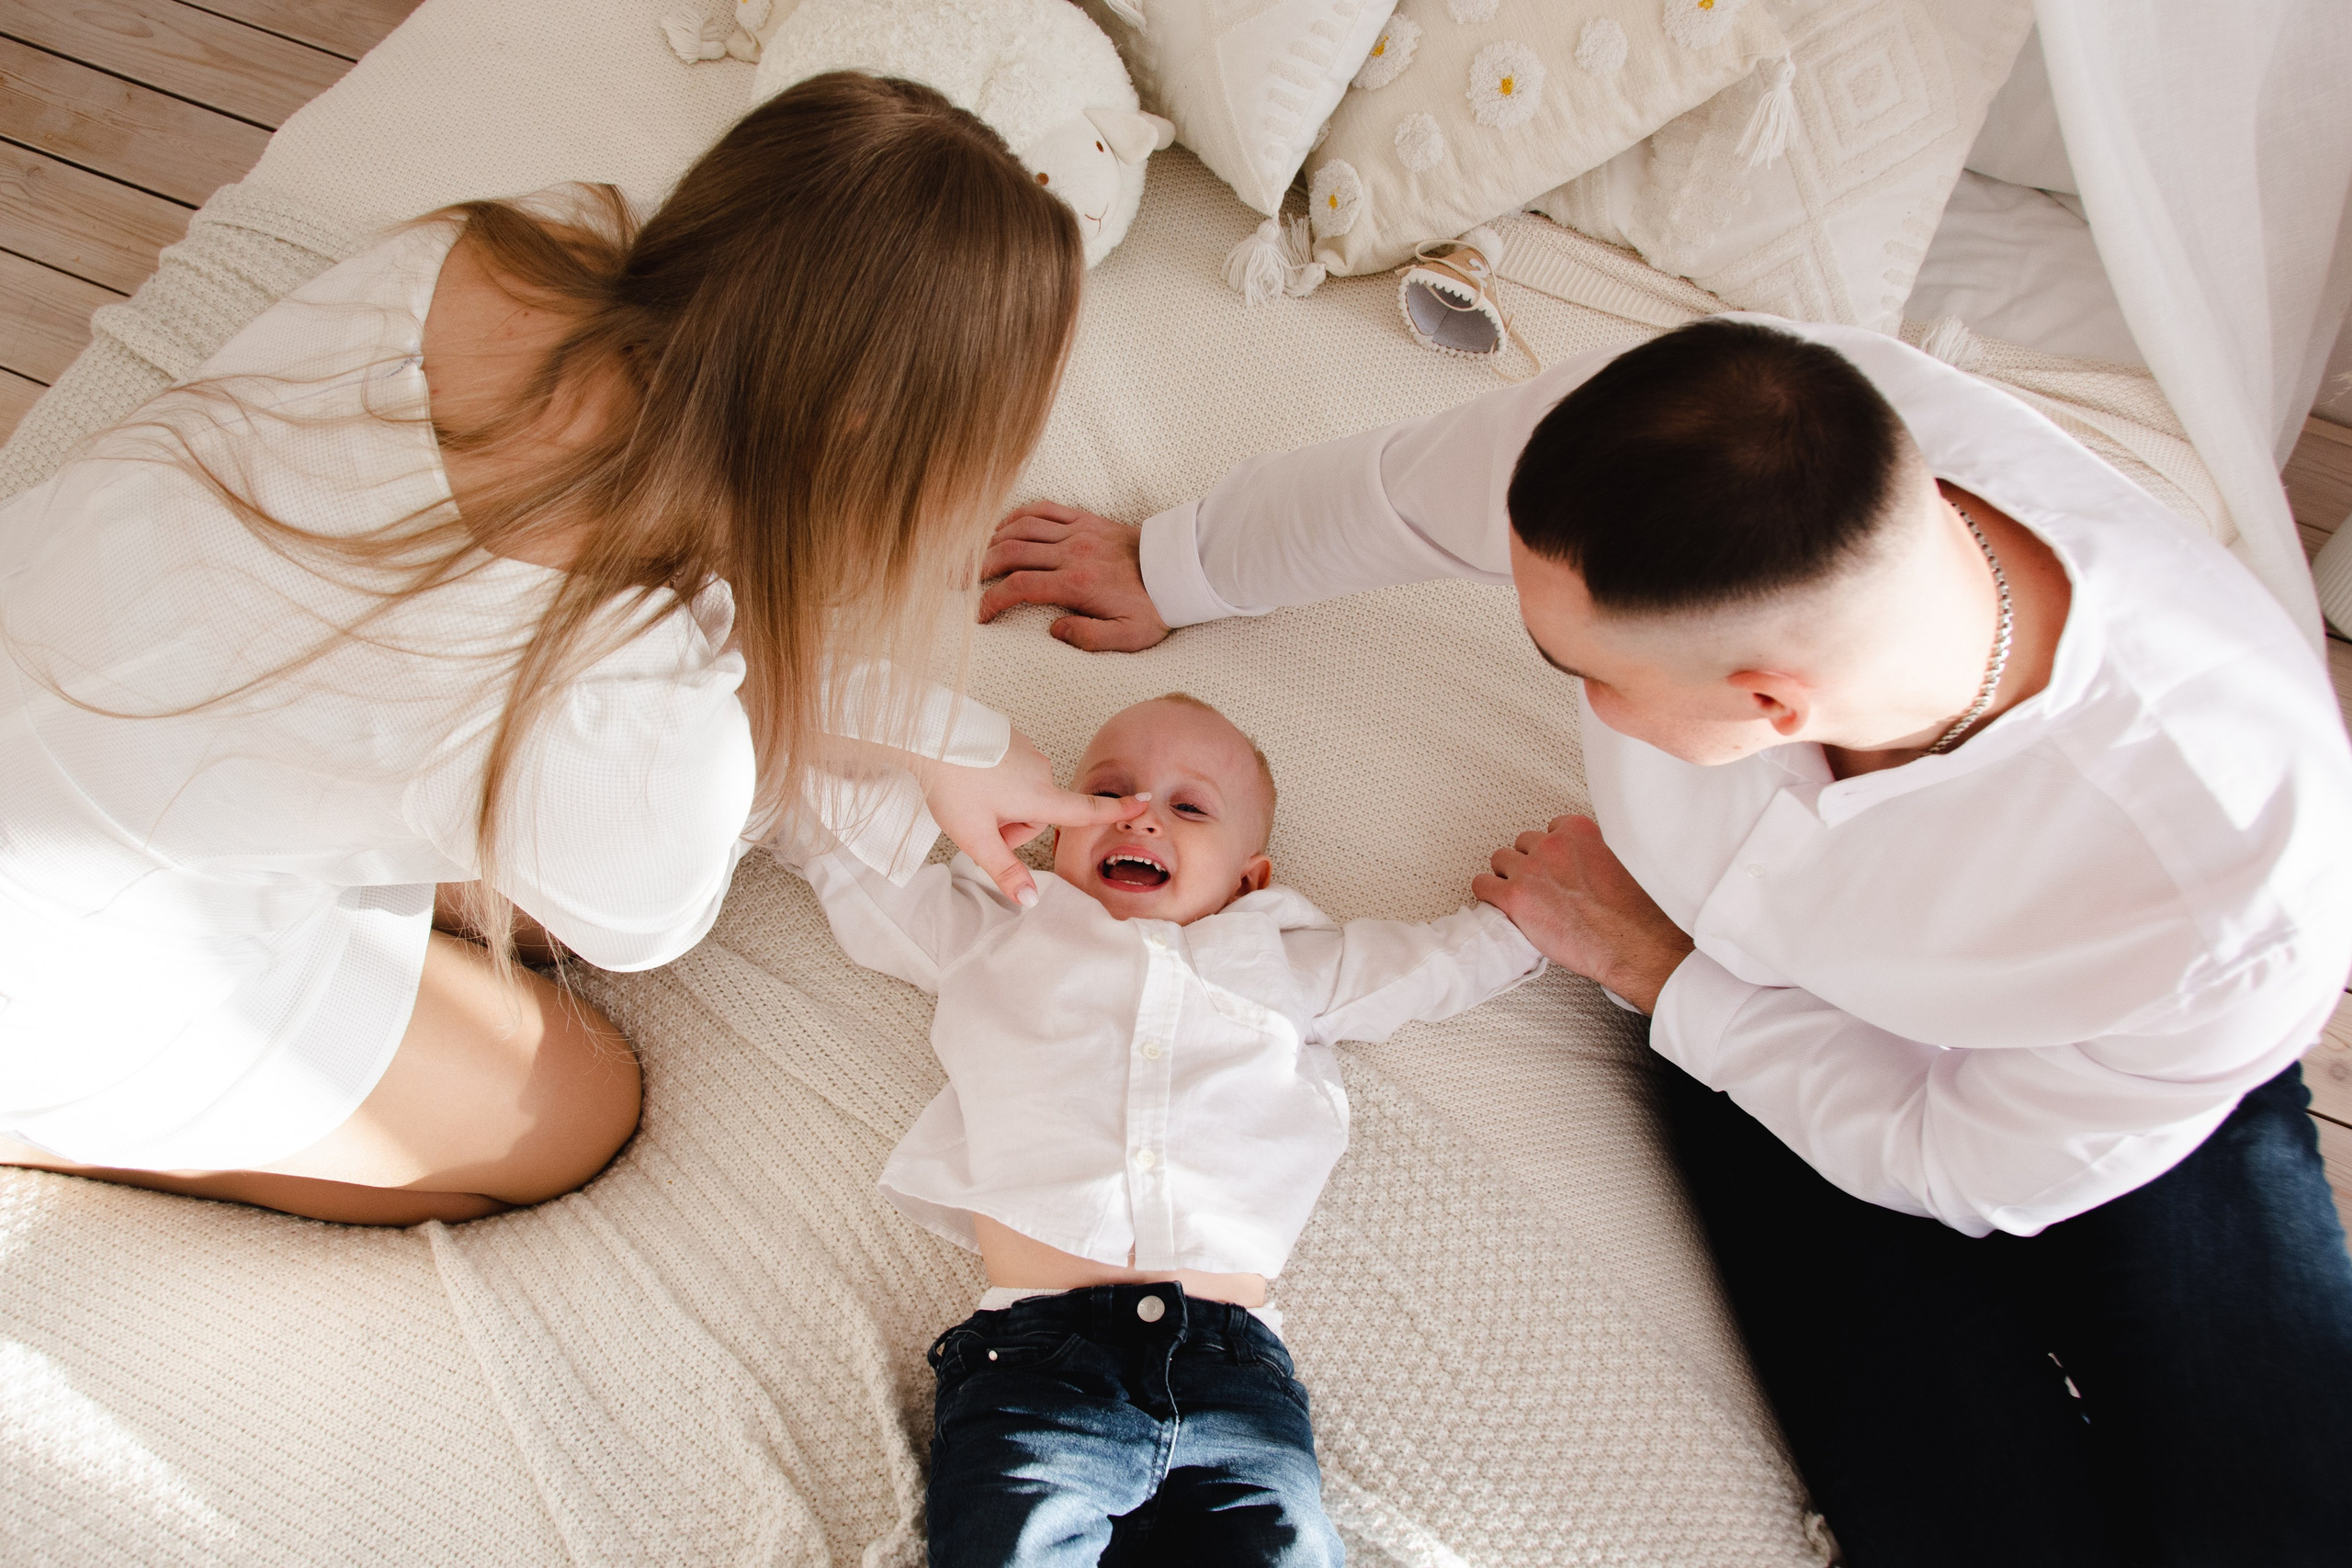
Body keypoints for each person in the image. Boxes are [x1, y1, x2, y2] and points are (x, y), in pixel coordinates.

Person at [976, 317, 2352, 1565]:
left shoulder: (2229, 886)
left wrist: (1664, 971)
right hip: (1760, 1038)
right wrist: (1176, 561)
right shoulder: (1684, 436)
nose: (1566, 681)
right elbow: (1404, 493)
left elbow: (1960, 1156)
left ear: (1770, 703)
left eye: (1588, 673)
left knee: (2279, 1521)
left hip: (2090, 1076)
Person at [0, 73, 1143, 1228]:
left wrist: (932, 739)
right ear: (878, 439)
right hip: (55, 953)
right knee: (575, 1104)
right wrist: (903, 731)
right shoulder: (634, 719)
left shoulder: (506, 245)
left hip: (46, 644)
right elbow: (630, 908)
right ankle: (48, 1125)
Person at [786, 693, 1544, 1565]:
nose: (1141, 815)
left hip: (1235, 1375)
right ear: (1052, 832)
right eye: (1109, 794)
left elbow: (1427, 968)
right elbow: (858, 867)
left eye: (1190, 808)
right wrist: (776, 769)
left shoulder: (1285, 960)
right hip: (1037, 1365)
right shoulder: (1001, 924)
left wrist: (1525, 925)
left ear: (1249, 879)